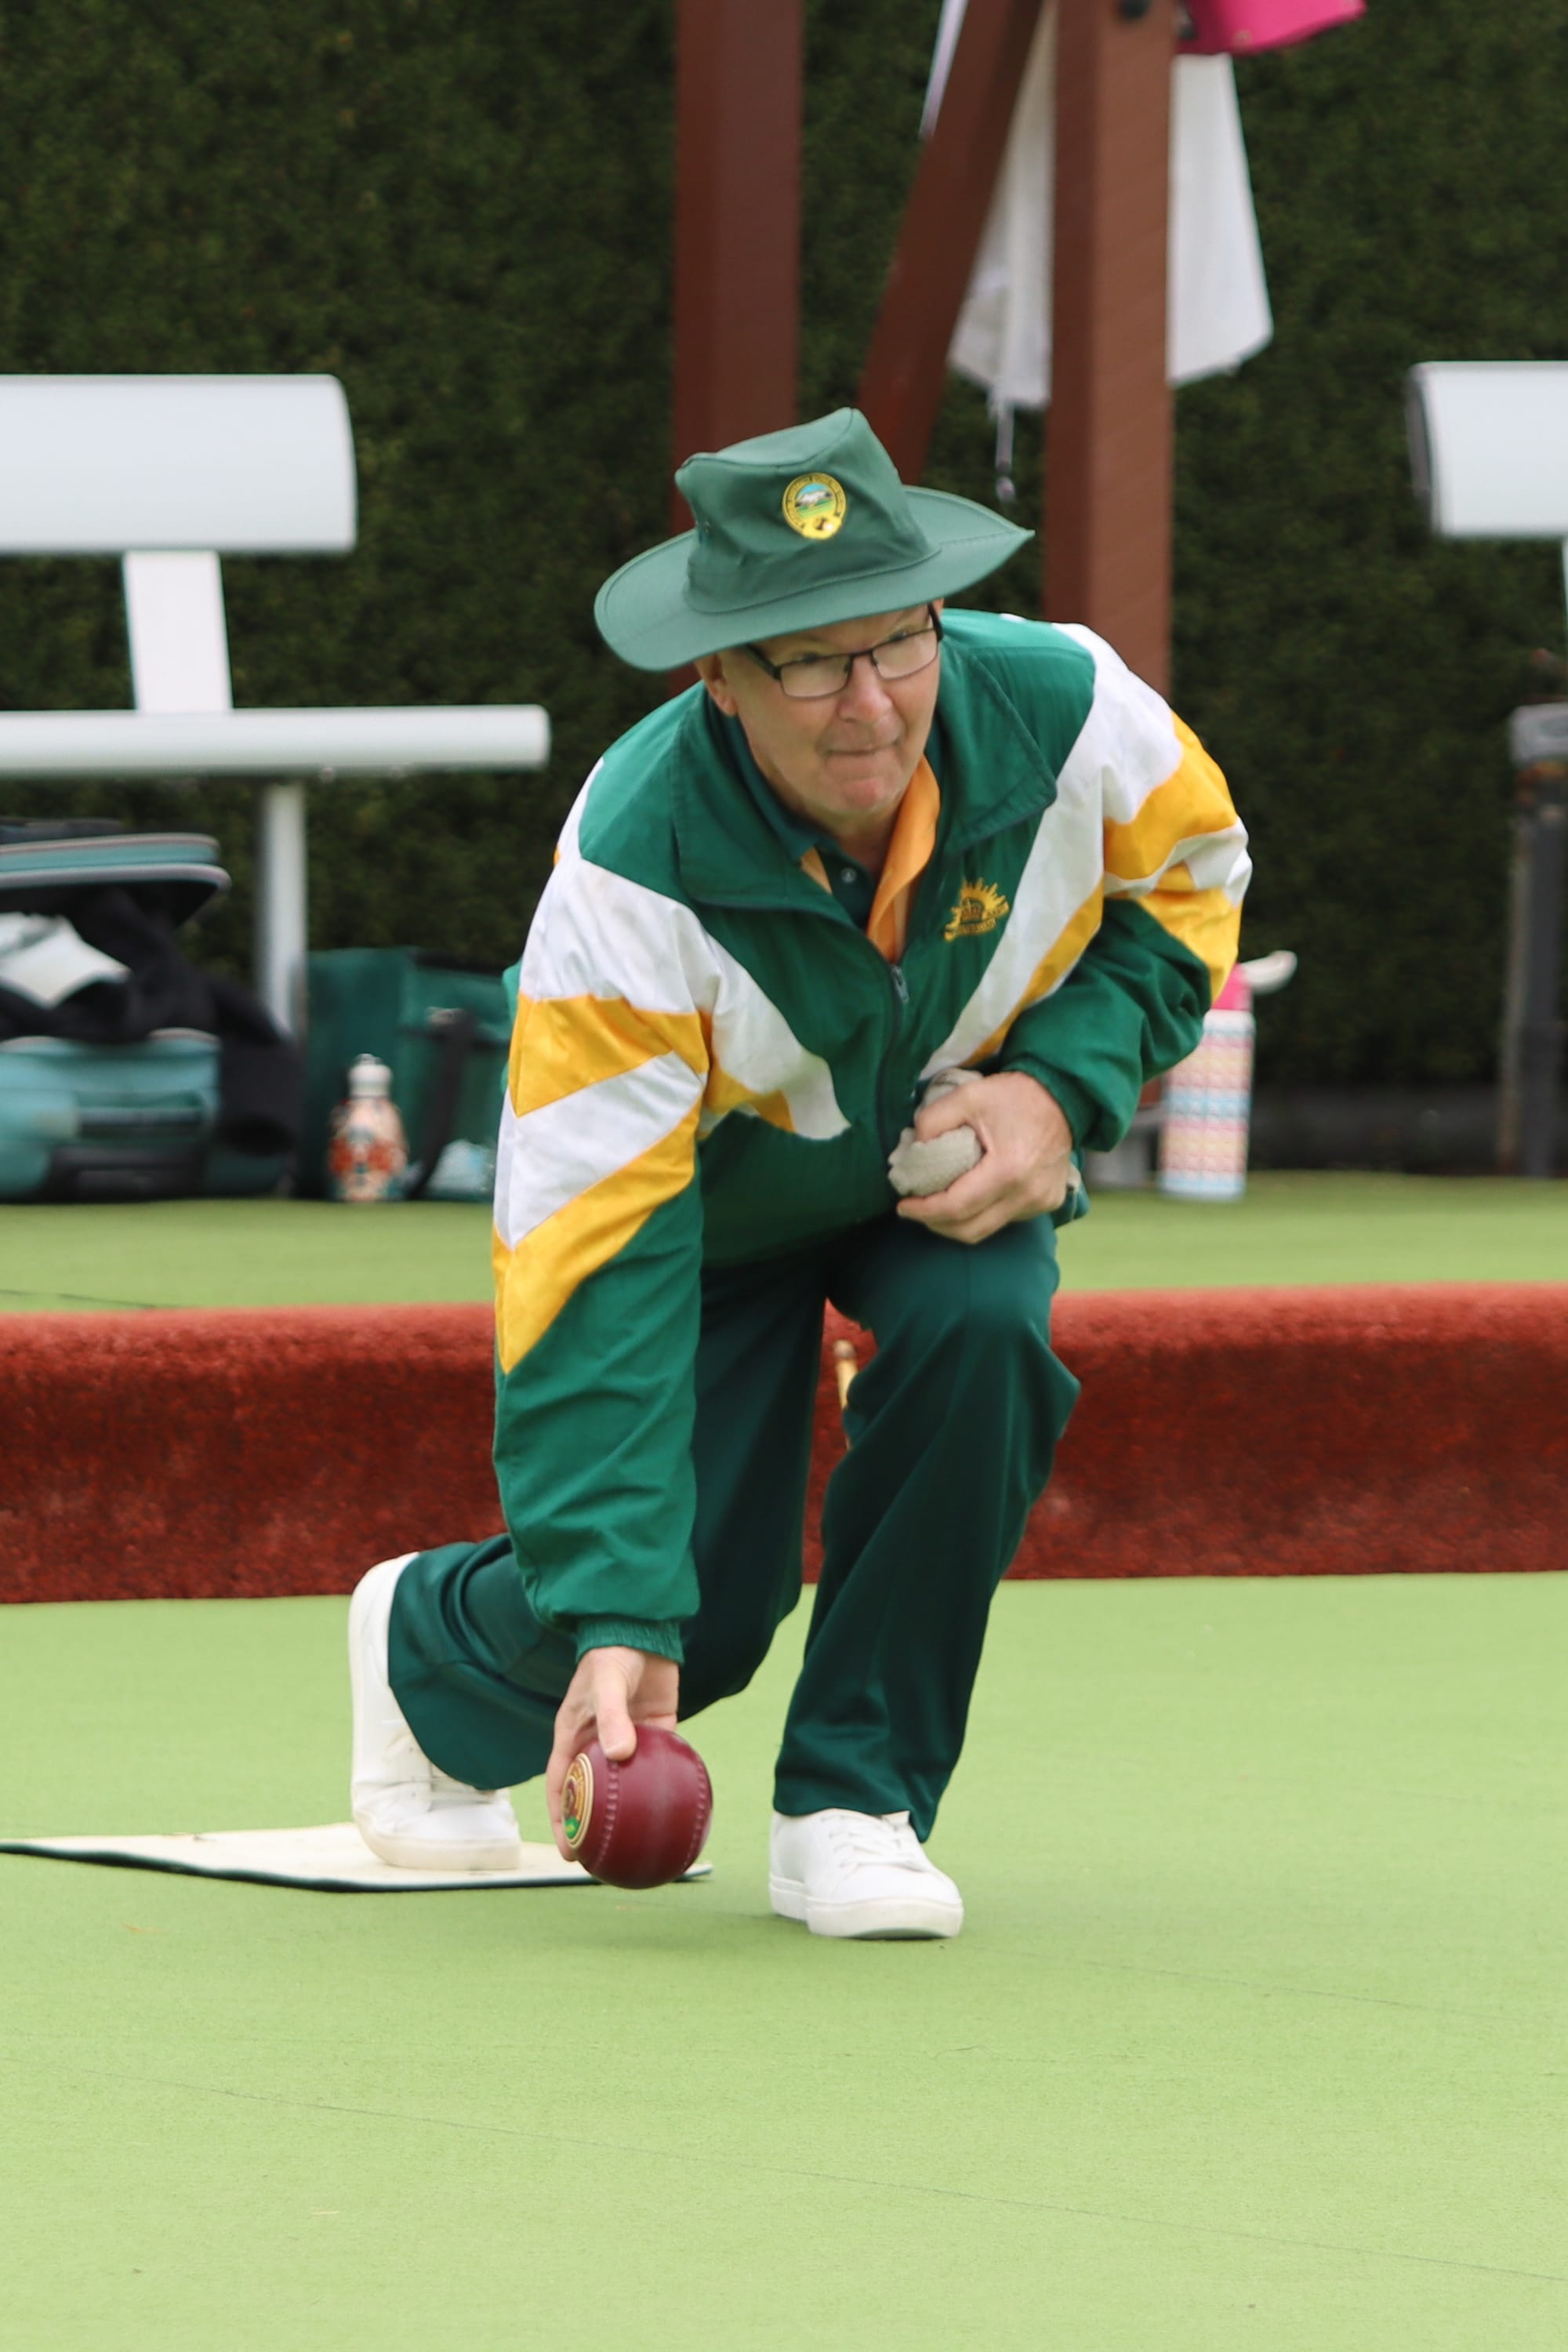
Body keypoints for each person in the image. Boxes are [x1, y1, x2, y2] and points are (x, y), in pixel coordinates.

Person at [347, 408, 1250, 1938]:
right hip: (707, 1218)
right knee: (697, 1610)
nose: (872, 703)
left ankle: (855, 1803)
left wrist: (1059, 1088)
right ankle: (424, 1636)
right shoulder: (625, 874)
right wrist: (620, 1607)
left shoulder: (1073, 709)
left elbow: (1192, 883)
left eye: (899, 641)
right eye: (813, 664)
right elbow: (589, 1256)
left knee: (987, 1331)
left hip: (942, 1157)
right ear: (720, 675)